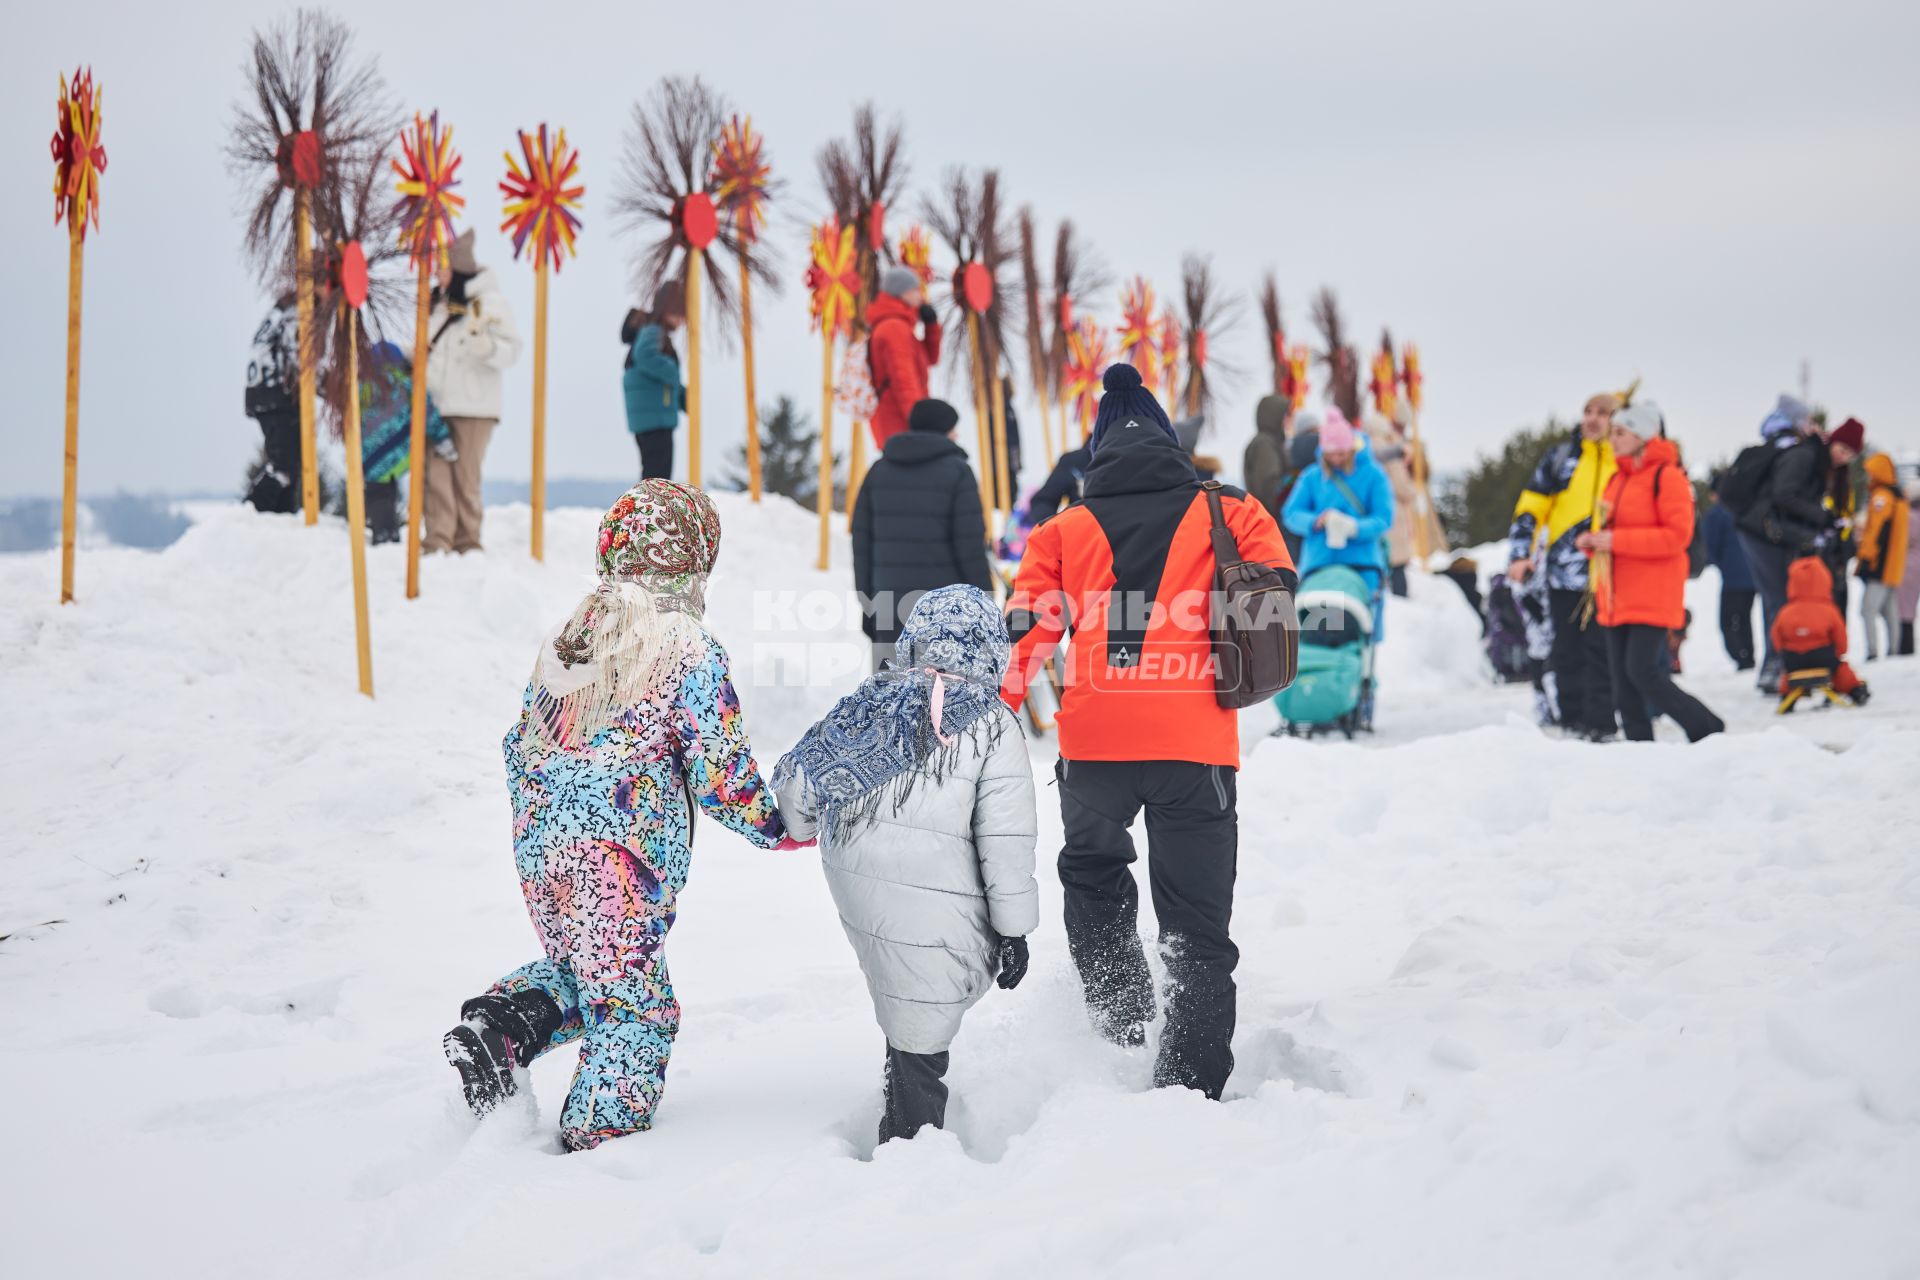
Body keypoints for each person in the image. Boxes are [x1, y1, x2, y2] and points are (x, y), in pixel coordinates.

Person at [442, 480, 801, 1151]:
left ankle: (502, 1023)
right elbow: (719, 766)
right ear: (691, 557)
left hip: (541, 843)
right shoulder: (685, 645)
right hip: (619, 860)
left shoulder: (570, 636)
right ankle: (598, 1145)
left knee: (595, 971)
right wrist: (774, 827)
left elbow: (527, 740)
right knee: (635, 1007)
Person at [1001, 364, 1294, 1100]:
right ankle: (1188, 1084)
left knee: (1094, 876)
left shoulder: (1062, 529)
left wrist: (993, 709)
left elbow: (1022, 633)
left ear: (1098, 450)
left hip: (1094, 745)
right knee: (1197, 923)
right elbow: (1279, 591)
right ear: (1170, 441)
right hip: (1195, 744)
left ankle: (1120, 1020)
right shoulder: (1235, 509)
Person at [774, 586, 1038, 1144]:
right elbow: (1005, 839)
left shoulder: (868, 702)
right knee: (924, 994)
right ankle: (912, 1142)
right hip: (933, 887)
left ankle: (905, 1093)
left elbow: (799, 797)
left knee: (909, 983)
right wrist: (1014, 930)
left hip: (859, 883)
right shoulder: (993, 723)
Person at [1577, 402, 1723, 743]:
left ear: (1643, 435)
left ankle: (1705, 726)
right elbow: (1611, 529)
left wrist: (1615, 540)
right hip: (1616, 593)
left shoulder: (1667, 478)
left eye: (1620, 433)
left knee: (1642, 671)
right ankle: (1639, 746)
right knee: (1622, 678)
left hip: (1652, 591)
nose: (1612, 439)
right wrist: (1593, 541)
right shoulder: (1618, 478)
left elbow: (1676, 537)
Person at [1506, 393, 1619, 740]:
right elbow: (1531, 506)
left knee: (1603, 650)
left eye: (1602, 413)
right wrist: (1519, 554)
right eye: (1588, 411)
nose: (1592, 419)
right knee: (1566, 650)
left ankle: (1601, 723)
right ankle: (1572, 721)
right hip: (1563, 572)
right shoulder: (1561, 458)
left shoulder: (1626, 458)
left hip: (1612, 573)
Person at [851, 399, 994, 669]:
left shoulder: (878, 472)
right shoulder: (958, 472)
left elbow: (861, 544)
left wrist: (868, 602)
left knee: (891, 700)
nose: (957, 435)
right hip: (946, 615)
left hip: (889, 609)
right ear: (944, 430)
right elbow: (970, 547)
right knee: (943, 702)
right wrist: (985, 602)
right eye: (954, 428)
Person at [424, 228, 521, 554]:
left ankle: (467, 544)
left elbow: (512, 350)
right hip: (437, 404)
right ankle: (438, 540)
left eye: (442, 266)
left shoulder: (490, 303)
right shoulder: (437, 304)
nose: (436, 273)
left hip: (475, 407)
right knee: (435, 474)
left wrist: (485, 345)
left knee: (465, 478)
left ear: (458, 267)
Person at [1733, 394, 1829, 690]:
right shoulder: (1798, 452)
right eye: (1810, 421)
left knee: (1774, 600)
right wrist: (1821, 516)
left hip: (1755, 530)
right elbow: (1784, 495)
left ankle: (1774, 666)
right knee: (1779, 600)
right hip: (1765, 533)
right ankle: (1775, 668)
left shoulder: (1775, 446)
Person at [1282, 407, 1396, 635]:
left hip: (1363, 567)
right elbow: (1291, 513)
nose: (1336, 459)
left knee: (1359, 633)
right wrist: (1316, 521)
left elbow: (1384, 518)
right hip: (1319, 566)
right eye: (1331, 454)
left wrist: (1354, 527)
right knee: (1318, 633)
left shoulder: (1373, 474)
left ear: (1352, 448)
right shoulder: (1313, 476)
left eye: (1342, 453)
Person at [358, 341, 454, 545]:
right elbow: (427, 412)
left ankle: (382, 530)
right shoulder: (408, 384)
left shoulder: (361, 387)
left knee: (378, 491)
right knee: (389, 489)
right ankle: (387, 532)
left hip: (370, 454)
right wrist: (442, 438)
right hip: (399, 451)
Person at [1771, 557, 1869, 703]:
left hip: (1793, 660)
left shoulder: (1785, 611)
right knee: (1841, 669)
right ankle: (1855, 690)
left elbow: (1776, 637)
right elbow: (1841, 639)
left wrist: (1785, 652)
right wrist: (1839, 652)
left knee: (1788, 673)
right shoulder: (1829, 610)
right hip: (1823, 658)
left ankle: (1786, 696)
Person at [865, 266, 943, 447]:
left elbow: (931, 358)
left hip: (901, 425)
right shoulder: (894, 329)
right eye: (916, 290)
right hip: (901, 427)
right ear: (902, 292)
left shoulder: (902, 326)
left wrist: (931, 326)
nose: (920, 296)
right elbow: (903, 381)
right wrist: (921, 423)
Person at [622, 281, 688, 481]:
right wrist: (673, 372)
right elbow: (645, 356)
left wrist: (685, 398)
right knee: (657, 479)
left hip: (652, 416)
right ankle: (650, 512)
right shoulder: (654, 331)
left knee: (655, 477)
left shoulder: (653, 331)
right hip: (654, 419)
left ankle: (651, 511)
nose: (684, 321)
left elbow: (664, 383)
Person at [243, 293, 301, 514]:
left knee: (291, 463)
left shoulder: (283, 309)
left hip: (266, 390)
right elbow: (298, 360)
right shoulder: (296, 313)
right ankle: (250, 513)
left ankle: (281, 518)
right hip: (275, 392)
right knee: (283, 465)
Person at [1856, 450, 1910, 660]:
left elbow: (1875, 531)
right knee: (1889, 611)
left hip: (1879, 564)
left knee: (1867, 609)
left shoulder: (1882, 497)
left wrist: (1865, 556)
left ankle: (1872, 651)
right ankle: (1893, 650)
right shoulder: (1899, 497)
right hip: (1894, 565)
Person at [1701, 482, 1758, 670]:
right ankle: (1747, 655)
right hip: (1754, 571)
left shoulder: (1717, 514)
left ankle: (1741, 656)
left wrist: (1715, 561)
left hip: (1733, 576)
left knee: (1728, 619)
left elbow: (1710, 545)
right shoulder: (1746, 507)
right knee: (1744, 617)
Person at [1362, 410, 1417, 597]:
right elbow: (1400, 485)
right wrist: (1411, 491)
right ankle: (1401, 599)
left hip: (1371, 512)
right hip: (1393, 511)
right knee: (1397, 562)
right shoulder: (1390, 449)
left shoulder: (1363, 449)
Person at [1821, 417, 1866, 614]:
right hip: (1819, 547)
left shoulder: (1844, 480)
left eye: (1850, 454)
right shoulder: (1819, 471)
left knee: (1838, 603)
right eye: (1843, 450)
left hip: (1838, 552)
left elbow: (1847, 513)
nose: (1844, 457)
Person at [1243, 394, 1292, 526]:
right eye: (1286, 415)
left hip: (1269, 518)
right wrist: (1294, 478)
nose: (1289, 420)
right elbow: (1269, 485)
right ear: (1275, 417)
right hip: (1272, 520)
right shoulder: (1264, 444)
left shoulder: (1270, 442)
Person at [1901, 490, 1920, 656]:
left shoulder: (1911, 516)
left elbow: (1905, 539)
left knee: (1904, 607)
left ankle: (1906, 646)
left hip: (1910, 564)